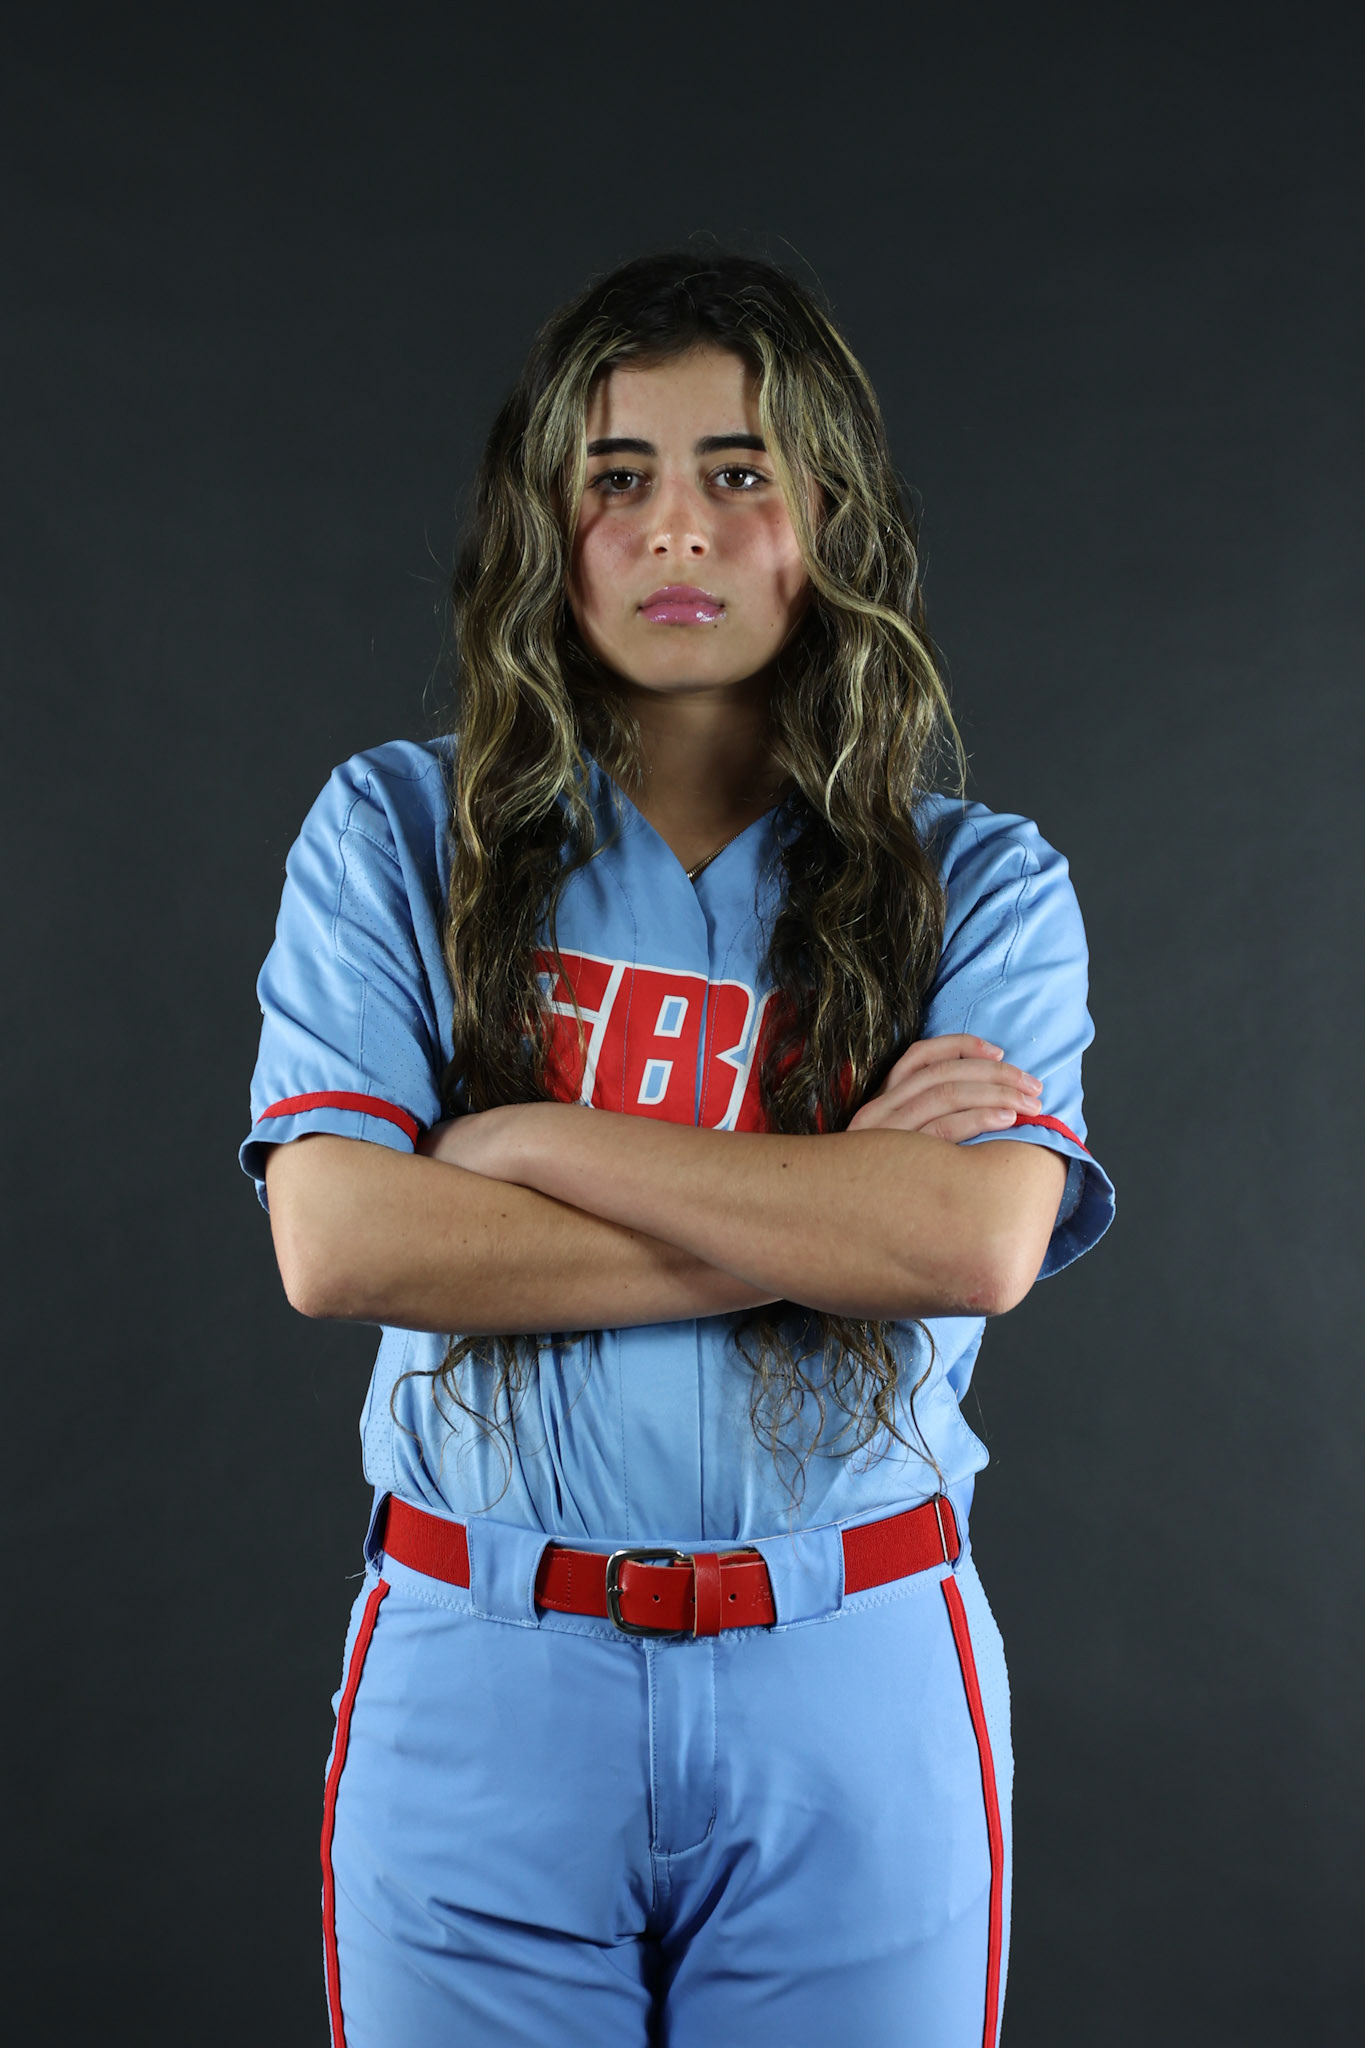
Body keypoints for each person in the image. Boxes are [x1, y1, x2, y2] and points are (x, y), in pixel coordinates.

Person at [240, 249, 1115, 2048]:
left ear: (828, 518)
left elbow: (975, 1246)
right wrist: (833, 1212)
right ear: (544, 529)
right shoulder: (398, 831)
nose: (675, 531)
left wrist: (523, 1137)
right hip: (484, 1661)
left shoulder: (983, 883)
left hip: (851, 1664)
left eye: (739, 473)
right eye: (614, 478)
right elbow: (336, 1241)